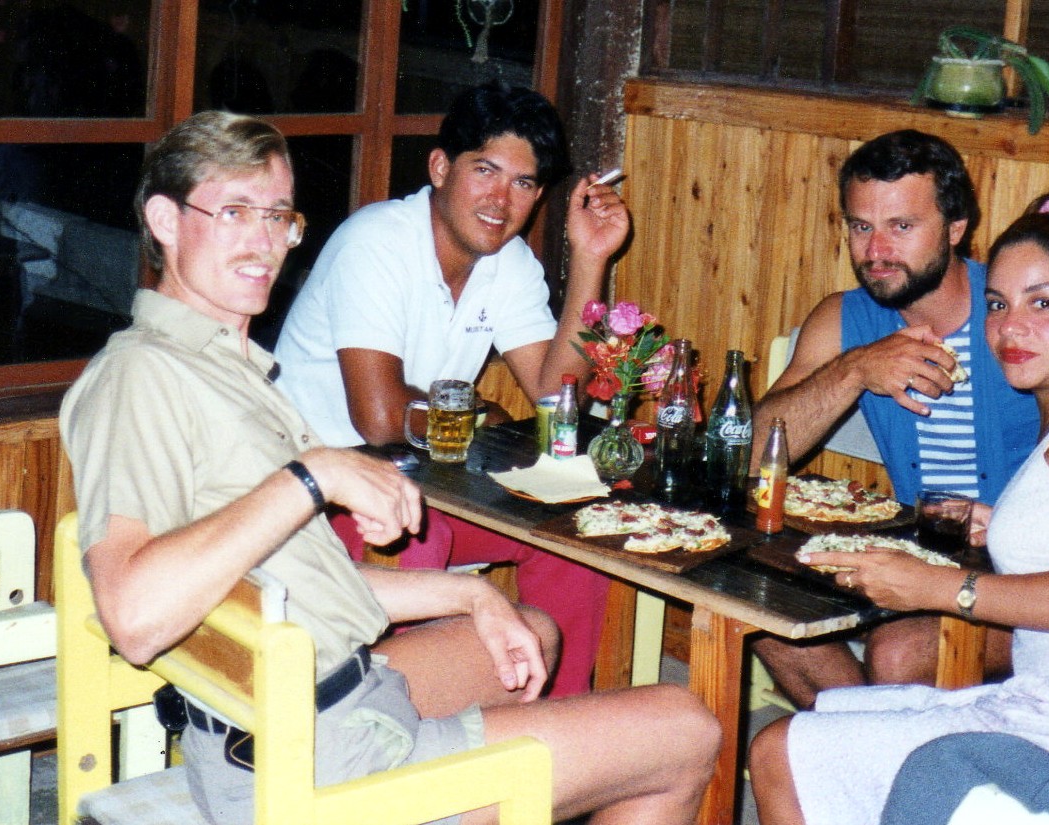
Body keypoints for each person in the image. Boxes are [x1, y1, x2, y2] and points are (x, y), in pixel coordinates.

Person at [59, 110, 718, 825]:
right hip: (316, 761)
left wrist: (471, 595)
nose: (264, 242)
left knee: (531, 633)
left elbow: (292, 581)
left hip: (299, 702)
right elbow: (133, 618)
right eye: (235, 212)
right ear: (164, 220)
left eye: (278, 216)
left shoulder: (223, 367)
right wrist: (313, 475)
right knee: (686, 729)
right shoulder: (139, 374)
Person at [747, 187, 1049, 825]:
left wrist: (937, 587)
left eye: (1043, 303)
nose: (1011, 327)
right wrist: (1000, 526)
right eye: (998, 304)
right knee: (826, 724)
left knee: (783, 750)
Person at [274, 82, 627, 697]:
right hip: (312, 502)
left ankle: (555, 719)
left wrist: (591, 259)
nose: (501, 200)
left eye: (523, 183)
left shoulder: (509, 263)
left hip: (421, 479)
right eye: (485, 170)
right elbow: (379, 416)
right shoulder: (376, 241)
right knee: (417, 529)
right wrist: (482, 412)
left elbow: (554, 398)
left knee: (572, 532)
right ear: (440, 168)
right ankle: (408, 718)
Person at [750, 130, 1038, 707]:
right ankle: (878, 741)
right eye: (861, 227)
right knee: (758, 608)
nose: (876, 250)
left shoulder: (1017, 312)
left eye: (901, 226)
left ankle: (878, 740)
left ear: (955, 228)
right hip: (918, 558)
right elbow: (754, 455)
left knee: (898, 653)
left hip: (1031, 578)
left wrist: (1012, 530)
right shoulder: (845, 318)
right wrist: (855, 369)